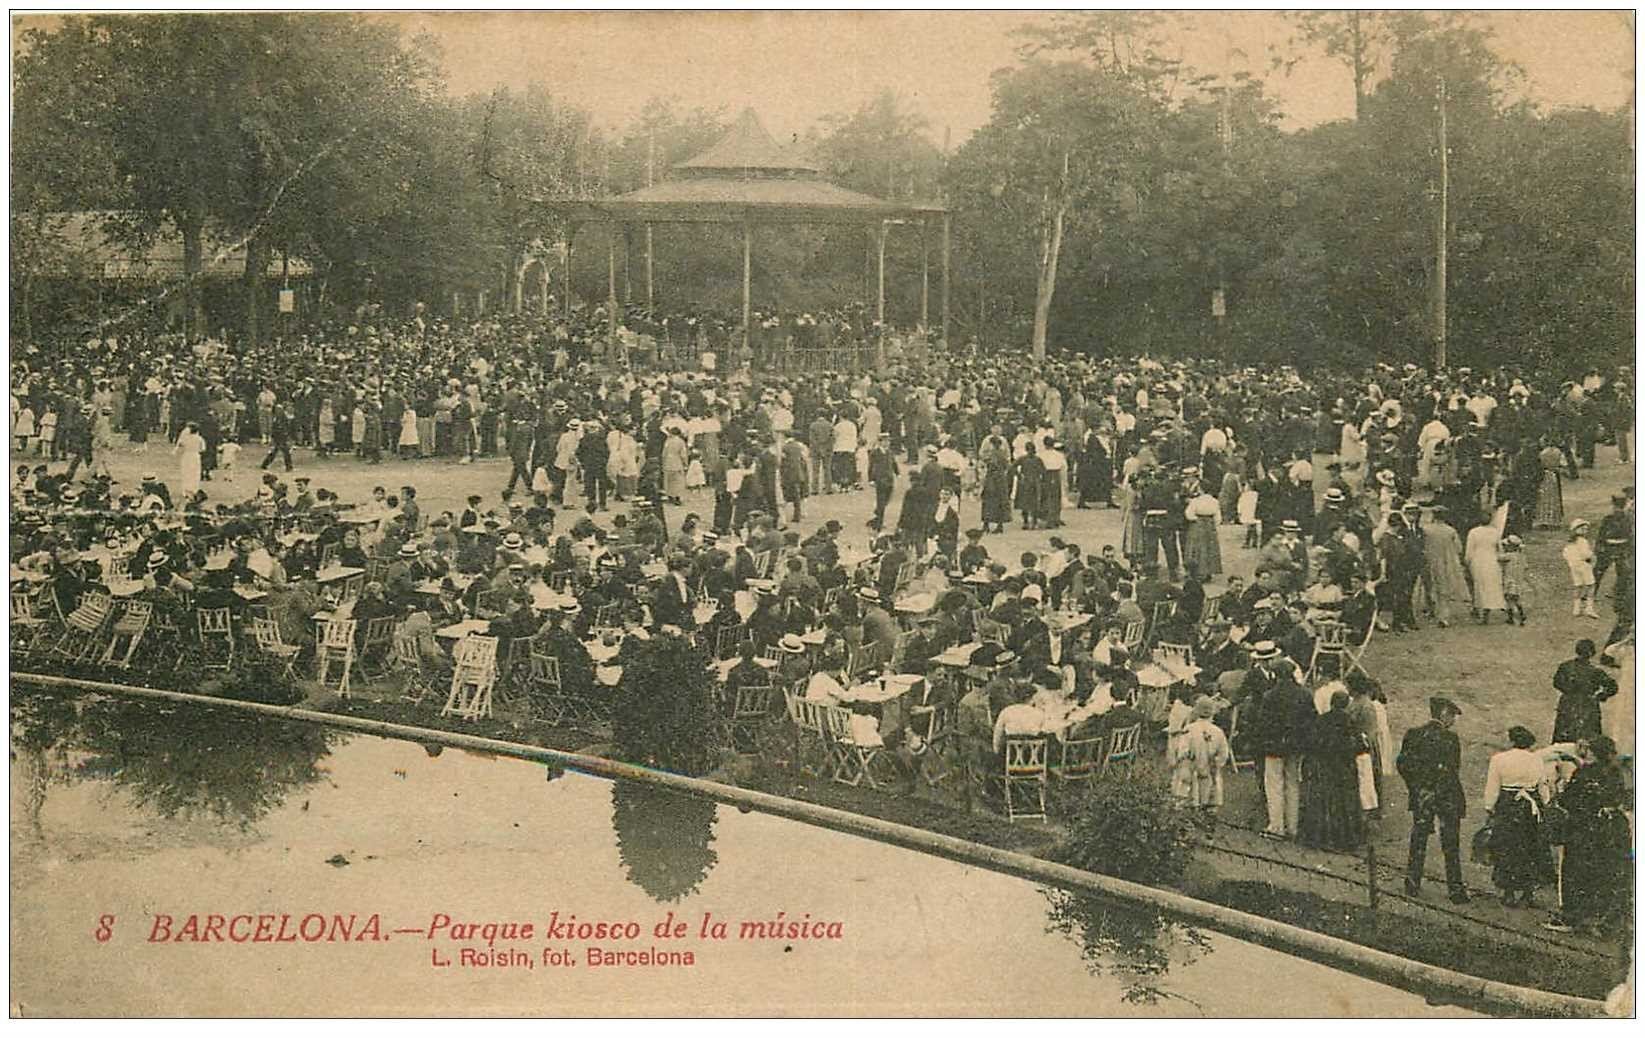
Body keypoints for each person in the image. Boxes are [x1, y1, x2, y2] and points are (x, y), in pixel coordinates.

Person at [1545, 735, 1631, 935]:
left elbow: (1568, 800)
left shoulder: (1584, 772)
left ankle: (1572, 916)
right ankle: (1597, 917)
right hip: (1607, 830)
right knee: (1601, 872)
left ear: (1593, 752)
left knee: (1574, 871)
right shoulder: (1615, 773)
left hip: (1582, 828)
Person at [1397, 696, 1470, 903]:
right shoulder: (1450, 739)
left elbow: (1402, 764)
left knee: (1418, 839)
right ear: (1444, 714)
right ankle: (1455, 890)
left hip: (1424, 796)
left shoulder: (1413, 734)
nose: (1453, 720)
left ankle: (1412, 884)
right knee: (1450, 844)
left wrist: (1417, 788)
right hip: (1446, 796)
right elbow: (1453, 769)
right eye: (1452, 716)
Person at [1482, 725, 1554, 908]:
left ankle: (1509, 892)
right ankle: (1528, 893)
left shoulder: (1499, 759)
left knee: (1507, 848)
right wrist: (1543, 803)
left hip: (1507, 806)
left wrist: (1489, 807)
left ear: (1512, 741)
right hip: (1529, 809)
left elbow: (1493, 787)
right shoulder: (1536, 760)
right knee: (1529, 848)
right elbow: (1543, 788)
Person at [1298, 689, 1368, 851]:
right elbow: (1361, 746)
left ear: (1331, 703)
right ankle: (1346, 838)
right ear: (1346, 704)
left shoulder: (1321, 721)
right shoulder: (1350, 722)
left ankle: (1322, 836)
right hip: (1344, 768)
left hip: (1324, 767)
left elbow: (1311, 743)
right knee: (1346, 803)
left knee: (1324, 802)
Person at [1170, 694, 1230, 811]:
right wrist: (1216, 763)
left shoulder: (1188, 730)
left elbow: (1182, 751)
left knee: (1187, 779)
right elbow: (1224, 754)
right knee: (1211, 781)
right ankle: (1210, 806)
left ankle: (1190, 803)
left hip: (1192, 769)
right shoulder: (1218, 732)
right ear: (1213, 713)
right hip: (1209, 769)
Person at [1552, 639, 1618, 744]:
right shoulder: (1595, 671)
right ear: (1592, 653)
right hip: (1588, 705)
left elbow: (1557, 683)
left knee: (1565, 735)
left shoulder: (1565, 666)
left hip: (1569, 704)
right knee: (1588, 737)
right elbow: (1613, 687)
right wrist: (1600, 696)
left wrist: (1568, 690)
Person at [1562, 519, 1599, 619]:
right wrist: (1592, 556)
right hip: (1584, 565)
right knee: (1591, 585)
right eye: (1582, 529)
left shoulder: (1570, 542)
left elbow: (1565, 554)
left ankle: (1576, 609)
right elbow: (1585, 554)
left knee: (1578, 586)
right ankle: (1589, 608)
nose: (1585, 531)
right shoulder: (1582, 541)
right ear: (1576, 530)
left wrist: (1572, 561)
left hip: (1574, 566)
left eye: (1586, 529)